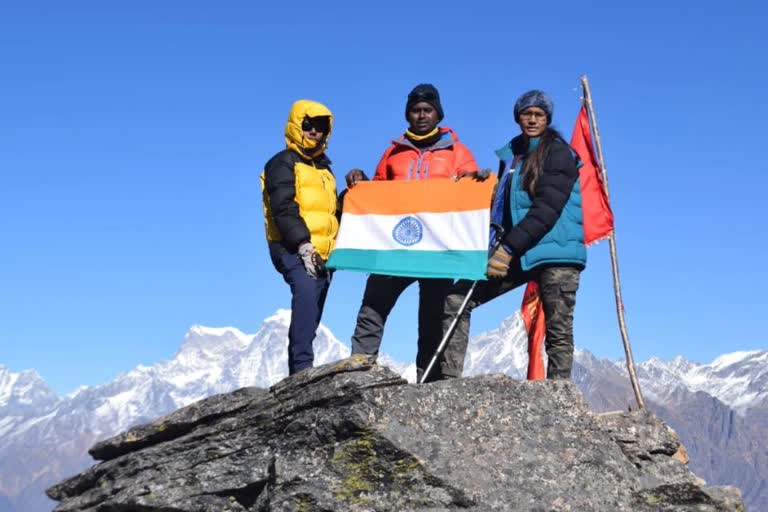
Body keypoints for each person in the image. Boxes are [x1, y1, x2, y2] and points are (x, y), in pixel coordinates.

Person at [441, 89, 586, 380]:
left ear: (547, 119)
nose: (532, 120)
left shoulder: (559, 153)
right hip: (520, 249)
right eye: (526, 114)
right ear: (517, 117)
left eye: (539, 115)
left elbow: (547, 209)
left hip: (554, 253)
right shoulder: (513, 156)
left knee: (557, 333)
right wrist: (481, 187)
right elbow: (507, 206)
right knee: (457, 298)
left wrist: (506, 249)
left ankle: (560, 401)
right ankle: (448, 383)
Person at [345, 83, 483, 382]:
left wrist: (479, 183)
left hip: (437, 249)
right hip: (394, 246)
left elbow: (471, 194)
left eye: (427, 110)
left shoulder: (458, 153)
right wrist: (362, 181)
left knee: (432, 317)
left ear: (438, 114)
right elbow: (379, 190)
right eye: (415, 110)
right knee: (373, 308)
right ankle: (358, 373)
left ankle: (428, 384)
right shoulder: (393, 152)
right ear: (408, 115)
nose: (421, 116)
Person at [261, 99, 339, 375]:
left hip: (322, 253)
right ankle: (302, 371)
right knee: (306, 295)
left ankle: (302, 367)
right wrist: (303, 244)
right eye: (308, 125)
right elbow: (284, 207)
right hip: (292, 248)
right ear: (296, 125)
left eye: (320, 127)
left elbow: (331, 211)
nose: (314, 131)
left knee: (313, 308)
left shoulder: (324, 170)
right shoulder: (282, 163)